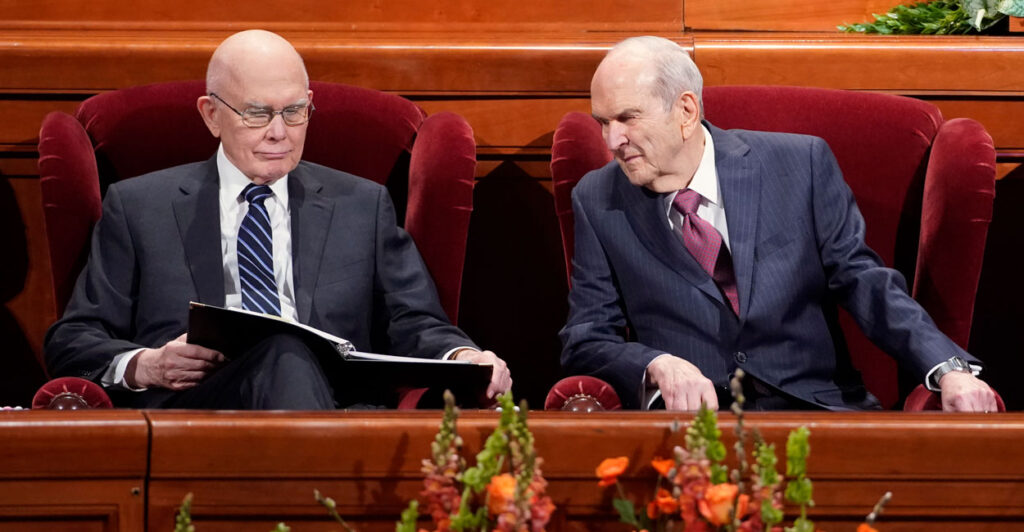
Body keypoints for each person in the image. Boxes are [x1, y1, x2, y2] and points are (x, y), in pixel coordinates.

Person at [44, 29, 511, 409]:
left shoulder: (362, 206)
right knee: (278, 351)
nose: (279, 133)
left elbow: (417, 322)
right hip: (193, 413)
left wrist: (466, 357)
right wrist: (145, 364)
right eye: (256, 113)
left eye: (294, 111)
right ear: (211, 115)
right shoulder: (139, 206)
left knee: (288, 354)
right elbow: (73, 338)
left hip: (330, 405)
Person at [560, 36, 997, 412]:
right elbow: (586, 337)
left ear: (686, 111)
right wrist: (654, 364)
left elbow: (864, 281)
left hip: (819, 409)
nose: (612, 141)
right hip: (694, 431)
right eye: (603, 123)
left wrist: (946, 368)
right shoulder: (599, 198)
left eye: (627, 119)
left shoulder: (799, 165)